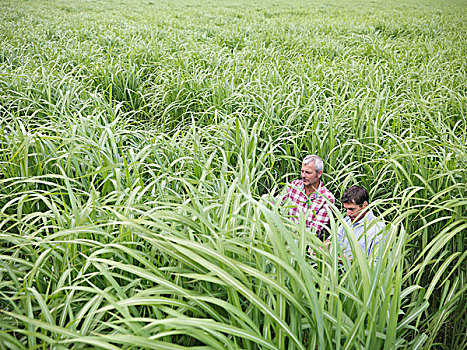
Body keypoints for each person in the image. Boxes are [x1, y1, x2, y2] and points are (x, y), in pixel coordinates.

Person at [281, 155, 335, 239]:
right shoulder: (293, 186)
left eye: (308, 172)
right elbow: (274, 205)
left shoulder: (327, 199)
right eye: (302, 171)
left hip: (305, 246)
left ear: (319, 174)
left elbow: (313, 232)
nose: (303, 175)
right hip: (283, 237)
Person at [336, 186, 386, 260]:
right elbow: (332, 240)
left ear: (365, 205)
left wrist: (347, 260)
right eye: (346, 209)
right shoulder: (347, 221)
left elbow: (376, 263)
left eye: (351, 209)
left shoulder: (378, 229)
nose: (348, 214)